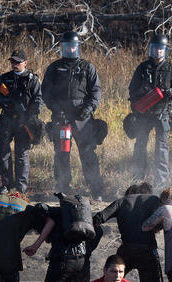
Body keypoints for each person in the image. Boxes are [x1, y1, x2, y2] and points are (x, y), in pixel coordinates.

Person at [41, 31, 104, 197]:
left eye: (73, 46)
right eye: (67, 46)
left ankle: (95, 190)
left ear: (78, 47)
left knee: (88, 153)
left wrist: (88, 109)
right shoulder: (54, 67)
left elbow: (96, 91)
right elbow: (46, 92)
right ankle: (63, 188)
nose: (70, 49)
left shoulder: (87, 67)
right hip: (61, 117)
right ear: (63, 48)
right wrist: (55, 108)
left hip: (82, 117)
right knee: (61, 153)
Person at [128, 34, 172, 189]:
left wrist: (170, 91)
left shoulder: (171, 68)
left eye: (161, 49)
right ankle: (138, 181)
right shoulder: (142, 68)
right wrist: (135, 105)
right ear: (150, 49)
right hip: (144, 114)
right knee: (140, 145)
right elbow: (132, 90)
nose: (158, 52)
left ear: (165, 50)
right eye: (155, 49)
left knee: (161, 148)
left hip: (163, 113)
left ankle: (161, 184)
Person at [92, 183, 162, 282]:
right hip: (148, 251)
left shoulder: (121, 201)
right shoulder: (154, 200)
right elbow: (166, 217)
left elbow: (98, 219)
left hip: (127, 250)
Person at [0, 49, 43, 195]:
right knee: (3, 152)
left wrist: (31, 116)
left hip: (24, 121)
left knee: (22, 154)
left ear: (25, 63)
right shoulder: (4, 78)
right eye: (12, 61)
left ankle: (21, 188)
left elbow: (38, 100)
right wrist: (4, 101)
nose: (14, 64)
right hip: (6, 119)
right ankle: (7, 185)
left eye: (17, 62)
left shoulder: (32, 79)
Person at [22, 202, 88, 282]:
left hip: (63, 260)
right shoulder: (81, 220)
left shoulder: (50, 216)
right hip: (83, 262)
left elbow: (50, 222)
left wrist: (35, 246)